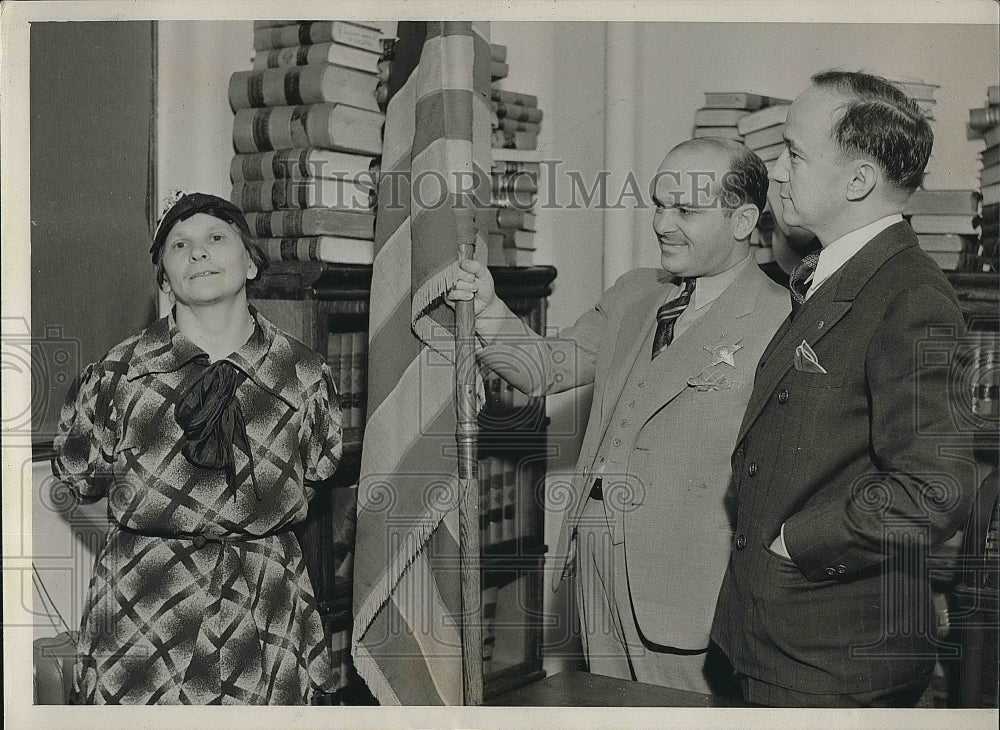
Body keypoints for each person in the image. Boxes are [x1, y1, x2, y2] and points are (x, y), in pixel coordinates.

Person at [447, 138, 790, 693]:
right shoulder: (636, 293)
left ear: (743, 220)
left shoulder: (782, 319)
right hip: (598, 569)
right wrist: (489, 308)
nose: (662, 224)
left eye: (686, 210)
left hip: (694, 589)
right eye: (658, 204)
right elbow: (542, 369)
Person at [710, 71, 977, 707]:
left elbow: (933, 490)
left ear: (857, 181)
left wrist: (794, 542)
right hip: (782, 646)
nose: (775, 170)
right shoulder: (834, 275)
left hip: (833, 666)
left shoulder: (909, 297)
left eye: (794, 153)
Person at [52, 192, 343, 704]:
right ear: (164, 279)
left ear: (251, 262)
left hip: (265, 604)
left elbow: (315, 476)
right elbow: (78, 481)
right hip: (145, 609)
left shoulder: (304, 375)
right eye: (179, 245)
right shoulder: (117, 375)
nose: (199, 253)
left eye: (216, 238)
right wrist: (145, 539)